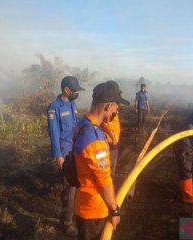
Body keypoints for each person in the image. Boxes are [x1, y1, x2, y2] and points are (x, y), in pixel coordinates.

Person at [74, 82, 130, 240]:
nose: (117, 111)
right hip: (94, 210)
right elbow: (103, 180)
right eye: (116, 107)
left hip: (84, 203)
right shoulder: (95, 139)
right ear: (109, 106)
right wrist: (114, 210)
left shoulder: (83, 124)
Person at [47, 76, 84, 236]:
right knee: (68, 188)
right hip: (64, 152)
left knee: (78, 183)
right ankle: (66, 222)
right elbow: (54, 134)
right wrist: (58, 156)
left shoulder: (72, 104)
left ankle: (75, 213)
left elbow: (77, 125)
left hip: (75, 150)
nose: (76, 93)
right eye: (75, 91)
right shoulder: (54, 107)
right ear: (66, 90)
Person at [99, 80, 126, 181]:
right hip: (110, 142)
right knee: (109, 164)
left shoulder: (114, 111)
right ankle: (109, 180)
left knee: (112, 163)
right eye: (117, 103)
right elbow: (106, 124)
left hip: (113, 141)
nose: (118, 106)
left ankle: (110, 180)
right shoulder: (109, 112)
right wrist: (114, 139)